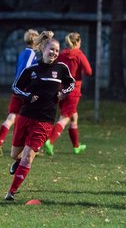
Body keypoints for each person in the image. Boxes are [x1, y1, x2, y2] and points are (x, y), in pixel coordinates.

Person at [5, 31, 75, 201]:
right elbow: (15, 87)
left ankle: (11, 192)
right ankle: (17, 162)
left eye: (57, 50)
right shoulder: (31, 70)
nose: (54, 53)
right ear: (43, 49)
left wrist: (63, 93)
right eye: (51, 49)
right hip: (26, 116)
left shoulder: (61, 69)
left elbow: (71, 83)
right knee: (15, 154)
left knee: (29, 156)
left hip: (45, 121)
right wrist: (27, 96)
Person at [0, 29, 39, 156]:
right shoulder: (31, 55)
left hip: (17, 89)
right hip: (25, 91)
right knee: (30, 119)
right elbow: (26, 71)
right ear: (36, 41)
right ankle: (30, 147)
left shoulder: (22, 53)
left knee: (12, 117)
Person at [44, 32, 92, 156]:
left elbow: (54, 65)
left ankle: (76, 146)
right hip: (74, 90)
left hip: (62, 89)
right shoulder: (79, 55)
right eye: (80, 42)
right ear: (77, 42)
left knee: (73, 116)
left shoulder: (62, 54)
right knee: (65, 117)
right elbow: (88, 71)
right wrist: (77, 71)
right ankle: (50, 141)